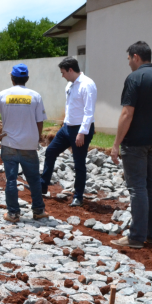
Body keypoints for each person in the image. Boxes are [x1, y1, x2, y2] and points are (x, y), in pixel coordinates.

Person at [110, 41, 152, 249]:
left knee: (137, 187)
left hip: (136, 143)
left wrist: (116, 144)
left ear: (136, 57)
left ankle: (136, 237)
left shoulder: (134, 78)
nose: (128, 62)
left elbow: (127, 114)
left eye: (129, 58)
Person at [0, 63, 48, 223]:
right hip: (29, 146)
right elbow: (40, 121)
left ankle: (13, 214)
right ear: (27, 78)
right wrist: (36, 137)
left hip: (9, 144)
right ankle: (38, 211)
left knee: (11, 180)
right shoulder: (35, 96)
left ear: (12, 78)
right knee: (34, 179)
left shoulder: (3, 95)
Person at [40, 57, 97, 207]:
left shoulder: (87, 84)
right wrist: (64, 124)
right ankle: (42, 186)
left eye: (63, 72)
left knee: (79, 163)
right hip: (67, 128)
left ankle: (78, 196)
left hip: (81, 129)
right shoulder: (70, 85)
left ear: (70, 70)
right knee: (50, 151)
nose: (62, 76)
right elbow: (70, 107)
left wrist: (82, 132)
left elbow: (89, 111)